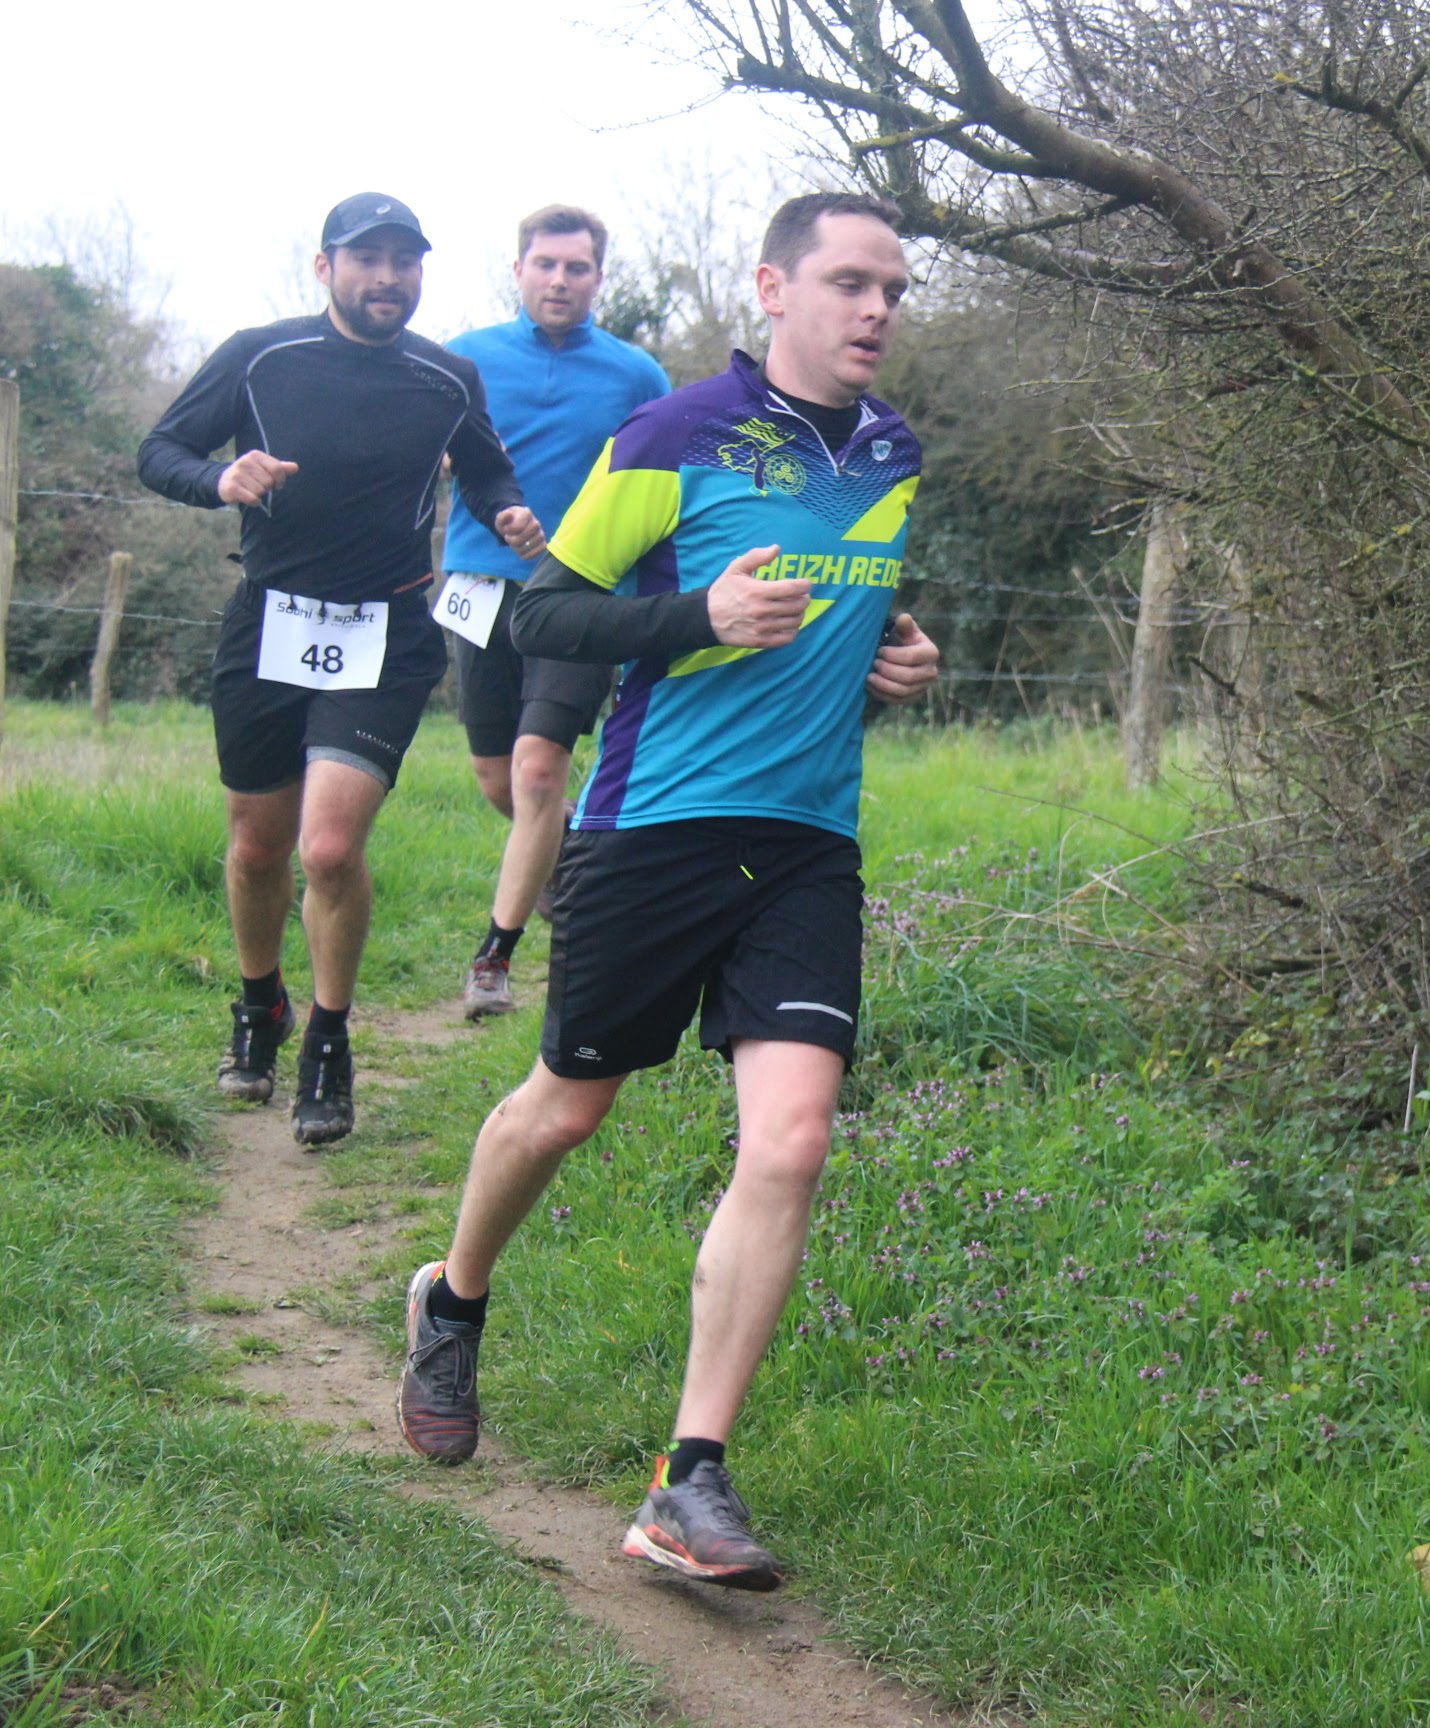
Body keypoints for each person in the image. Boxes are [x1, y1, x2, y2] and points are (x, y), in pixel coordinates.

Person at [396, 190, 942, 1592]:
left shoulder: (893, 452)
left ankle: (689, 1478)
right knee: (567, 1106)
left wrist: (894, 650)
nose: (878, 308)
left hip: (807, 842)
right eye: (851, 281)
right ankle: (453, 1297)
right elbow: (546, 611)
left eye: (894, 287)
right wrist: (697, 616)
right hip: (653, 828)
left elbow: (839, 602)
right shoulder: (672, 434)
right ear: (773, 287)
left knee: (793, 1141)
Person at [139, 193, 541, 1147]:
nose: (388, 277)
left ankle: (328, 1036)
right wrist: (219, 479)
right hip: (268, 625)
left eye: (405, 260)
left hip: (386, 632)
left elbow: (485, 468)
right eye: (367, 259)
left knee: (326, 848)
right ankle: (260, 1005)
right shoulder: (260, 356)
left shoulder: (446, 377)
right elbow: (159, 451)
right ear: (326, 268)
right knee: (257, 849)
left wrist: (508, 509)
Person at [440, 205, 671, 1020]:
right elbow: (421, 450)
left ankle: (493, 960)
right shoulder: (464, 358)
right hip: (481, 587)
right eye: (545, 264)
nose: (560, 280)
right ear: (519, 270)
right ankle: (573, 857)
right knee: (498, 780)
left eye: (577, 267)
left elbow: (668, 484)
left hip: (582, 596)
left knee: (540, 771)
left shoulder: (637, 375)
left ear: (599, 277)